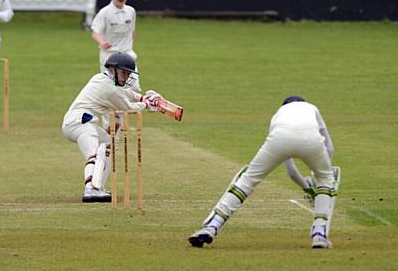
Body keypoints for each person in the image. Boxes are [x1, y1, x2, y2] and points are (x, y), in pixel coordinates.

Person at [189, 96, 340, 249]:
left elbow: (291, 171)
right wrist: (318, 177)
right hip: (312, 140)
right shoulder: (312, 108)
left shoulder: (278, 114)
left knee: (247, 180)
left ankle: (212, 227)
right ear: (303, 103)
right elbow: (330, 148)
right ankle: (319, 235)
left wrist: (305, 186)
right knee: (326, 180)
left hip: (280, 139)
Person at [61, 52, 162, 203]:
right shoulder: (108, 88)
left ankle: (98, 187)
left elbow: (125, 93)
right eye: (124, 73)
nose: (126, 77)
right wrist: (147, 104)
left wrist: (142, 98)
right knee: (93, 153)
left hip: (81, 122)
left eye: (128, 74)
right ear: (113, 70)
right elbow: (127, 107)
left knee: (109, 143)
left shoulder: (100, 78)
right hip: (79, 123)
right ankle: (90, 189)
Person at [91, 0, 140, 92]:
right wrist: (102, 43)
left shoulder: (130, 11)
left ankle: (131, 109)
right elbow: (95, 33)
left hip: (127, 54)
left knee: (134, 86)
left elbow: (132, 31)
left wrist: (130, 47)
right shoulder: (105, 12)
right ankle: (110, 109)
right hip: (110, 55)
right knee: (111, 88)